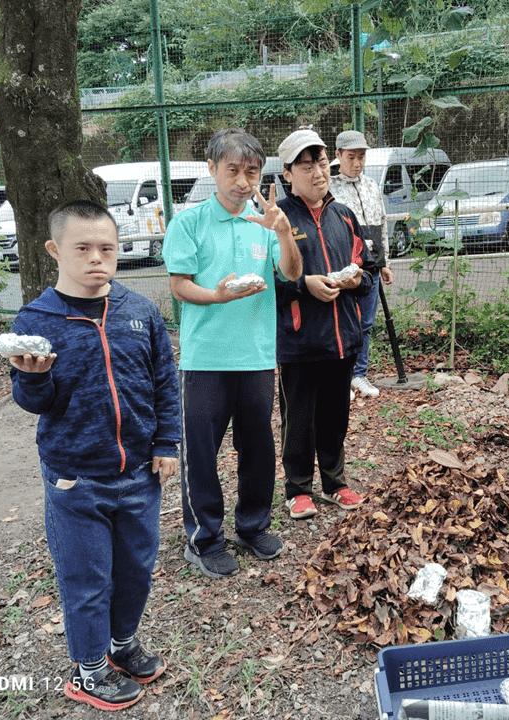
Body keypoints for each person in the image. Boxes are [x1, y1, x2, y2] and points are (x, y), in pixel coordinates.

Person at [9, 200, 181, 711]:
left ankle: (122, 642)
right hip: (75, 481)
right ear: (54, 250)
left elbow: (164, 384)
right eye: (81, 248)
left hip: (138, 476)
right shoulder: (37, 320)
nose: (95, 258)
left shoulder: (140, 311)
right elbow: (33, 402)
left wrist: (167, 442)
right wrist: (34, 378)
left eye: (107, 248)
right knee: (87, 578)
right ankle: (87, 670)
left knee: (136, 567)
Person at [164, 128, 302, 578]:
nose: (243, 182)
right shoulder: (190, 223)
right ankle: (203, 538)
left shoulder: (263, 222)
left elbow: (291, 274)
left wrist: (283, 233)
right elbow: (180, 286)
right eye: (233, 171)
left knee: (258, 447)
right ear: (211, 169)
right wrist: (218, 296)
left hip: (257, 356)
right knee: (201, 452)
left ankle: (252, 526)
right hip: (205, 358)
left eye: (252, 172)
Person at [274, 128, 377, 520]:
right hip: (300, 341)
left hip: (343, 338)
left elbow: (367, 274)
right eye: (306, 165)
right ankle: (297, 488)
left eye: (320, 163)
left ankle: (335, 483)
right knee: (298, 418)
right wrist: (305, 286)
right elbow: (269, 282)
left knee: (335, 416)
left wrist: (355, 281)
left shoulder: (343, 215)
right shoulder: (280, 219)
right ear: (288, 173)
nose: (318, 172)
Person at [330, 130, 395, 398]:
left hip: (371, 268)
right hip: (345, 268)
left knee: (366, 322)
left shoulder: (371, 186)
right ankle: (340, 378)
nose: (357, 163)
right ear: (338, 156)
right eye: (351, 157)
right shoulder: (330, 188)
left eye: (361, 157)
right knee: (344, 321)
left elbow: (381, 226)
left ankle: (359, 374)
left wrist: (384, 263)